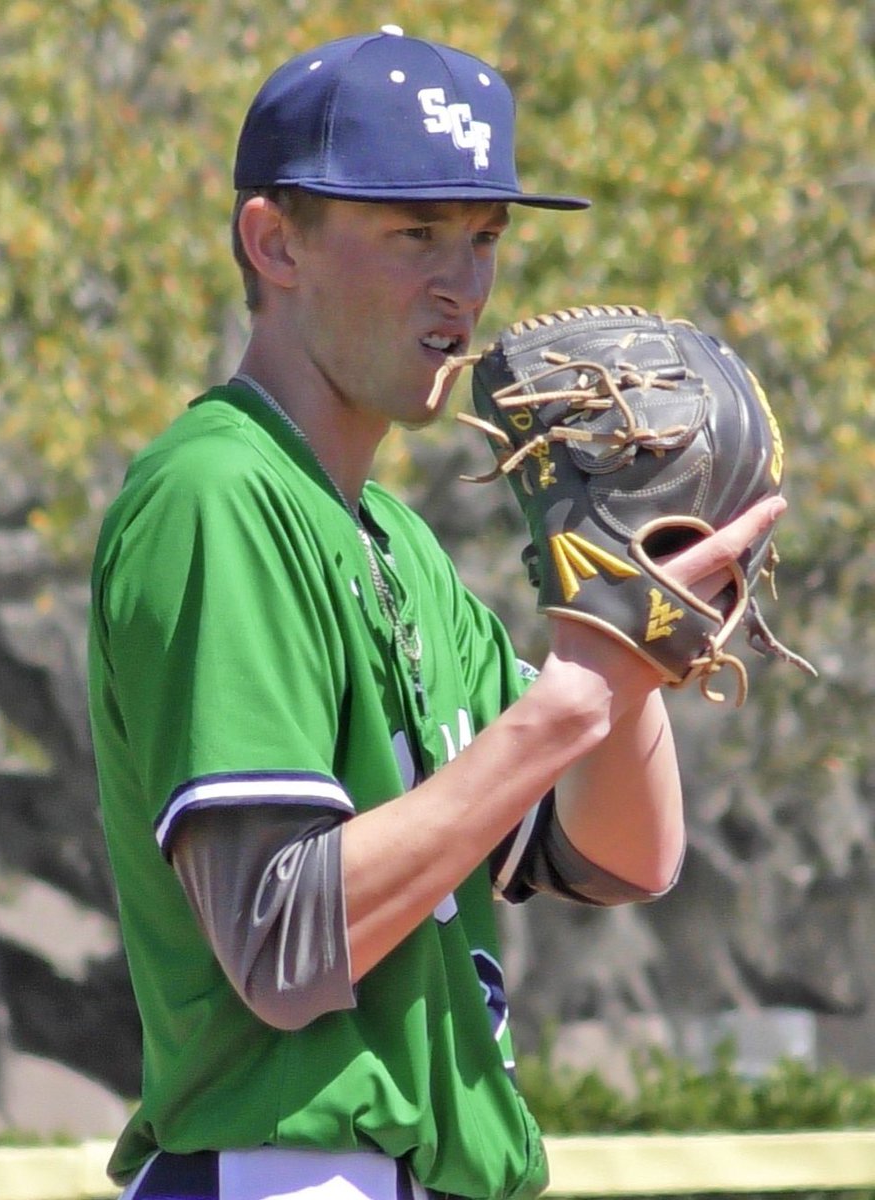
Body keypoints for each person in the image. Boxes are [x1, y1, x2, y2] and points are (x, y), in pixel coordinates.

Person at [87, 25, 785, 1200]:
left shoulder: (399, 545)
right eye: (412, 231)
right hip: (286, 1175)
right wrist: (573, 697)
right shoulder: (216, 495)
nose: (460, 284)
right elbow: (281, 944)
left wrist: (631, 627)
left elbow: (620, 858)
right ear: (274, 241)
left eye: (482, 238)